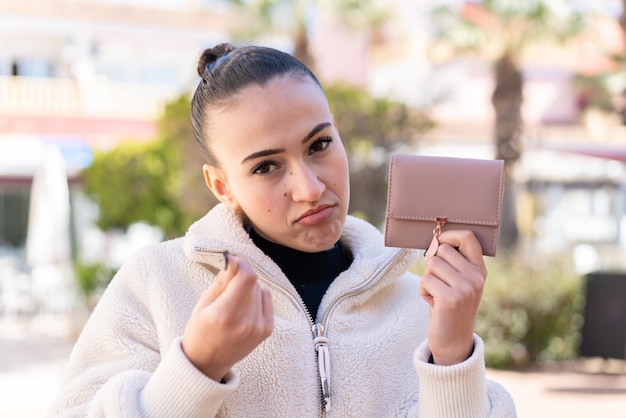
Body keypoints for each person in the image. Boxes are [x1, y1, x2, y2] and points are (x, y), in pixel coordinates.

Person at [49, 43, 516, 417]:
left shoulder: (419, 304)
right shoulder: (156, 283)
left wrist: (452, 355)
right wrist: (196, 367)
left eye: (320, 145)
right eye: (267, 166)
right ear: (221, 185)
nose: (310, 189)